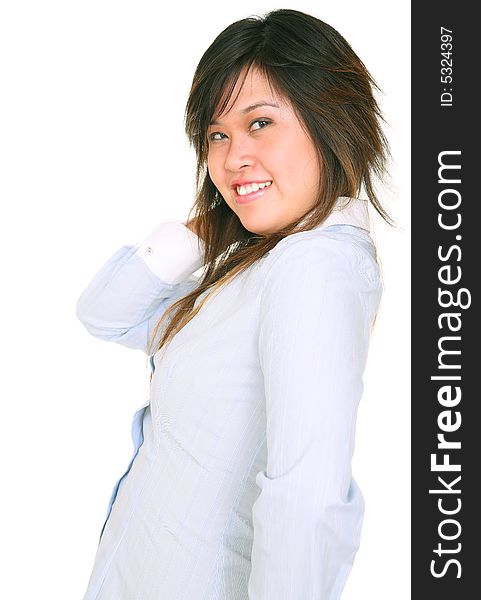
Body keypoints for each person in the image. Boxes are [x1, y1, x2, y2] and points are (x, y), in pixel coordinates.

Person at [76, 8, 393, 599]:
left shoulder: (315, 266)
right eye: (217, 135)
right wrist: (208, 229)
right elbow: (104, 314)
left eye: (260, 124)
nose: (231, 157)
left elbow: (307, 500)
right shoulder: (258, 271)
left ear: (331, 120)